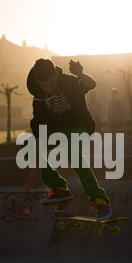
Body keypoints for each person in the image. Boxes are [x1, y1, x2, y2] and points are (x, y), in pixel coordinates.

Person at [23, 58, 112, 220]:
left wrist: (80, 74)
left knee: (72, 152)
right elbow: (38, 130)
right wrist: (37, 168)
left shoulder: (69, 82)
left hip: (79, 127)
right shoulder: (38, 97)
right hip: (56, 132)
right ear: (38, 82)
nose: (48, 88)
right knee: (25, 144)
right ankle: (59, 188)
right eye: (44, 85)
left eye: (51, 83)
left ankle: (99, 199)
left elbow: (91, 84)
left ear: (56, 75)